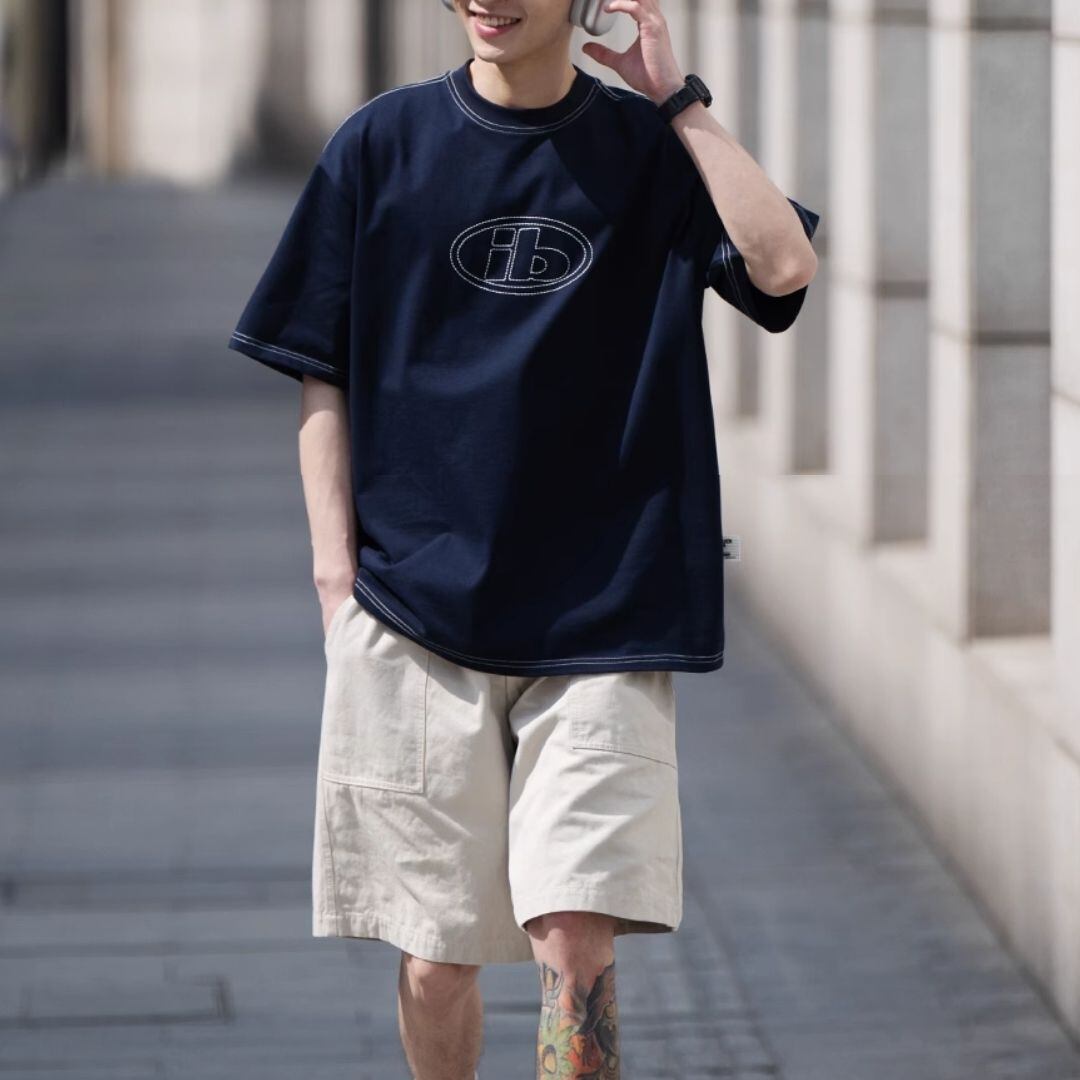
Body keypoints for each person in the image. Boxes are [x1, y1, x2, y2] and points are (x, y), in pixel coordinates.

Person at [227, 0, 819, 1075]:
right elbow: (321, 367)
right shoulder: (381, 145)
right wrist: (334, 581)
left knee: (575, 938)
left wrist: (675, 98)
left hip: (604, 617)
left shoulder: (649, 149)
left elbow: (782, 267)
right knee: (436, 959)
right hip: (413, 613)